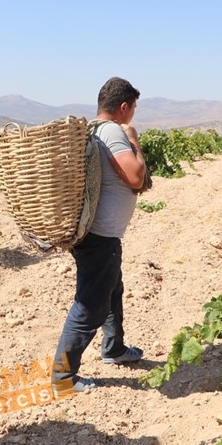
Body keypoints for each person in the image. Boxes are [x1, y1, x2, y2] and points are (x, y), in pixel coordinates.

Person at [52, 76, 147, 396]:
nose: (133, 114)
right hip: (101, 235)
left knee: (111, 289)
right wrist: (134, 140)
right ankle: (62, 376)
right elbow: (135, 177)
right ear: (124, 107)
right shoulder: (112, 132)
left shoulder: (93, 129)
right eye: (133, 108)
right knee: (90, 304)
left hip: (95, 233)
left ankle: (114, 348)